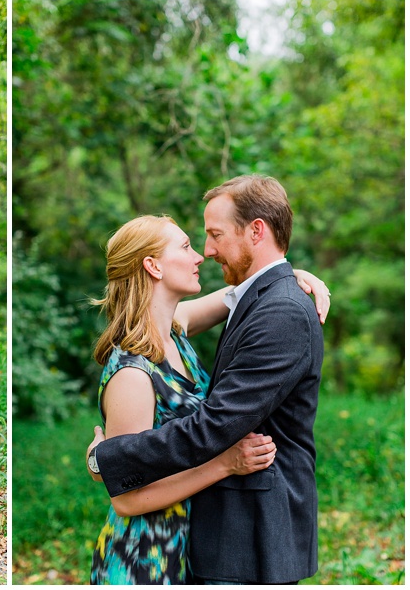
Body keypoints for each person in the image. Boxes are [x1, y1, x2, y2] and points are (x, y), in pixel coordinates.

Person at [87, 175, 326, 584]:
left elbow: (246, 292)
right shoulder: (132, 369)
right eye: (187, 246)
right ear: (153, 265)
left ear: (256, 231)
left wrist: (288, 273)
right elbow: (126, 500)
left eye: (211, 236)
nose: (203, 253)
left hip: (190, 542)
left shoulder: (175, 329)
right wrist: (223, 464)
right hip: (147, 556)